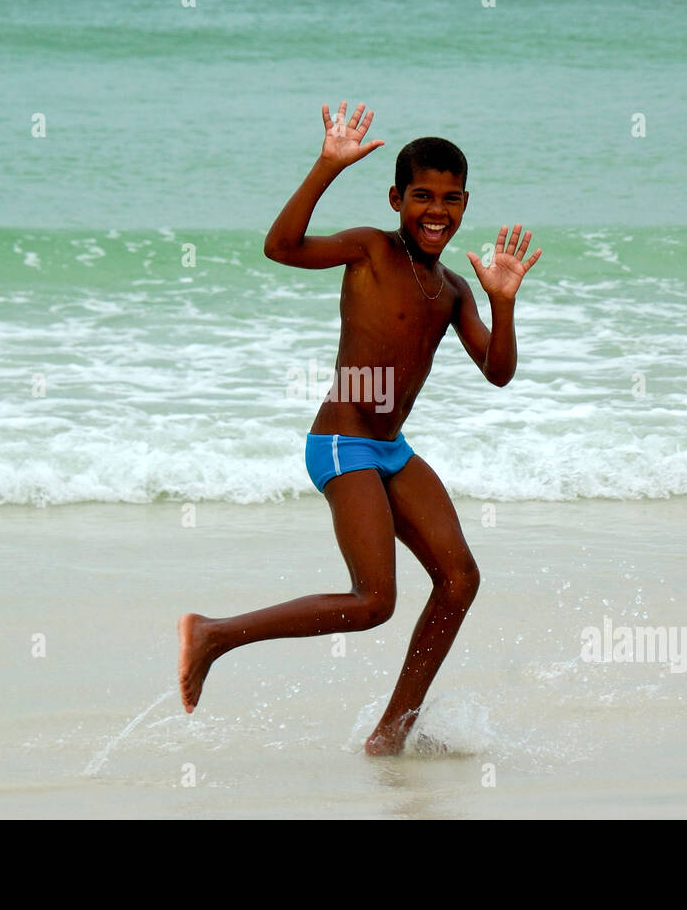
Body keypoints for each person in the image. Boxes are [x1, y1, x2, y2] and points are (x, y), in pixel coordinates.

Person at [178, 100, 540, 754]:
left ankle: (391, 733)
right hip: (342, 444)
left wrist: (503, 302)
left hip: (390, 450)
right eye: (423, 196)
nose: (438, 210)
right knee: (374, 600)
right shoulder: (371, 250)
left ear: (465, 206)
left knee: (460, 580)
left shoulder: (454, 289)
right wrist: (326, 166)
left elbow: (498, 370)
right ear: (398, 198)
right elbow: (280, 247)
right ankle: (213, 634)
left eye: (452, 200)